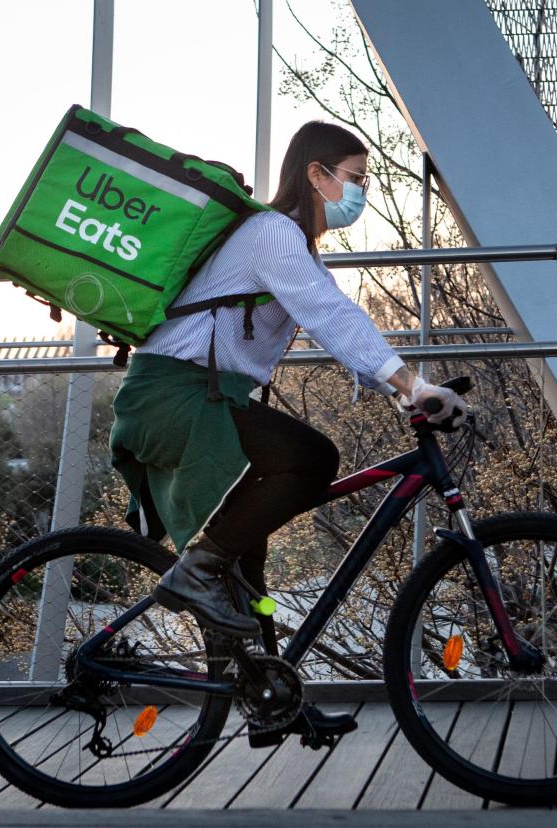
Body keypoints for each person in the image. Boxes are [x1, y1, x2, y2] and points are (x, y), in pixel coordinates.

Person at [109, 121, 466, 746]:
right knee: (311, 456)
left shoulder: (293, 244)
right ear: (316, 173)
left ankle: (274, 699)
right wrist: (412, 384)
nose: (360, 194)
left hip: (201, 398)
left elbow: (335, 319)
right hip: (176, 396)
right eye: (354, 179)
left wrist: (402, 387)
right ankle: (193, 573)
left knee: (248, 566)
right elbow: (328, 313)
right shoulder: (272, 232)